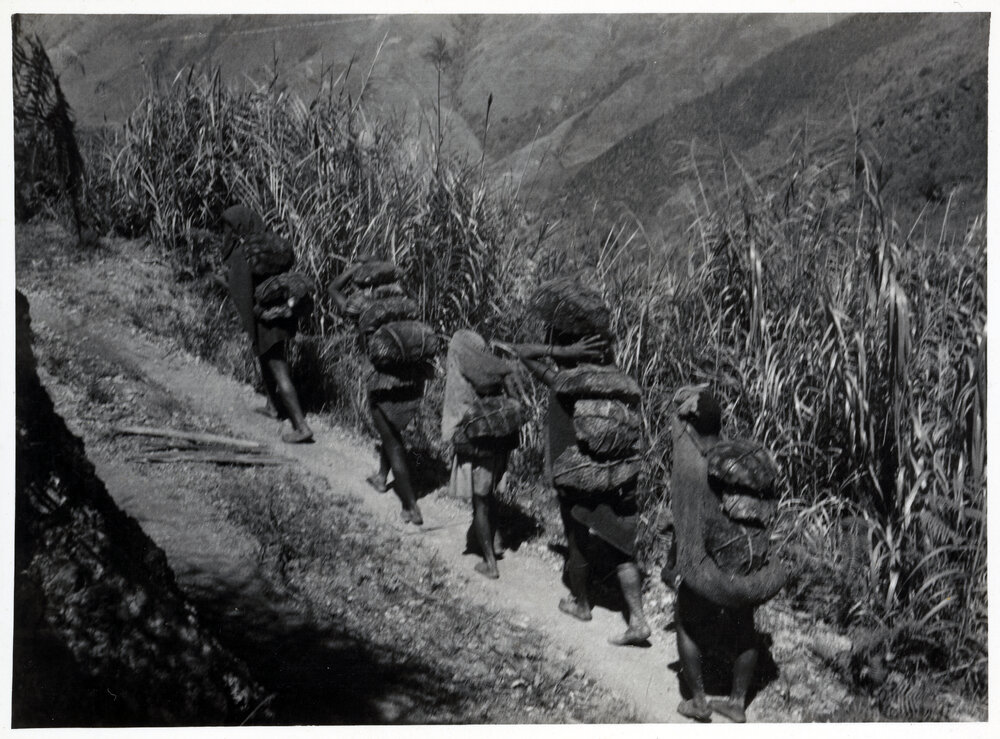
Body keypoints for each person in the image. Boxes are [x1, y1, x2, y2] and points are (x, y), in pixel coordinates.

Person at [515, 332, 652, 646]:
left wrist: (562, 345)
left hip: (579, 475)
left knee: (577, 541)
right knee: (622, 550)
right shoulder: (622, 384)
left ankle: (581, 604)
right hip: (617, 475)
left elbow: (523, 351)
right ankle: (639, 620)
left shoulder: (565, 383)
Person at [328, 262, 428, 525]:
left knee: (392, 440)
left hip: (381, 380)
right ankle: (382, 477)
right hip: (412, 379)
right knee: (391, 432)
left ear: (367, 283)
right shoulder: (408, 302)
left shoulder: (363, 306)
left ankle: (410, 506)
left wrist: (354, 268)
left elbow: (332, 289)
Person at [220, 205, 313, 444]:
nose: (226, 232)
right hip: (280, 313)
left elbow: (242, 295)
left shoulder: (246, 253)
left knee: (279, 369)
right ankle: (272, 405)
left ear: (238, 226)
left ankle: (301, 427)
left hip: (264, 320)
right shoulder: (270, 245)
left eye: (229, 227)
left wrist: (251, 328)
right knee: (267, 360)